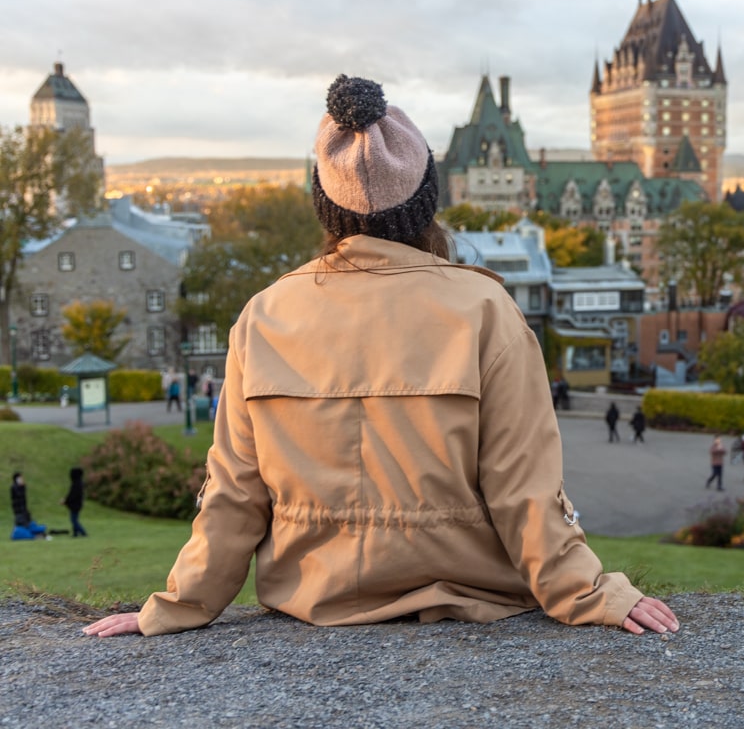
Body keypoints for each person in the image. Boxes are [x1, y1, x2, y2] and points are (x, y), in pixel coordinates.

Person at [85, 75, 676, 640]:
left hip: (313, 600)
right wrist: (589, 593)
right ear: (426, 203)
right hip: (467, 597)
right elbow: (523, 489)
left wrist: (180, 605)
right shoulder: (485, 309)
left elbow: (234, 494)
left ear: (324, 204)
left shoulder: (264, 315)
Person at [10, 473, 47, 540]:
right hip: (19, 512)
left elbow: (23, 497)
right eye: (20, 478)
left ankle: (38, 534)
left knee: (28, 524)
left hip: (23, 511)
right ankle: (34, 535)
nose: (22, 480)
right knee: (23, 525)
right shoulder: (14, 487)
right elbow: (19, 495)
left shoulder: (21, 487)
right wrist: (22, 486)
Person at [61, 467, 87, 538]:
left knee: (74, 520)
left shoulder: (76, 484)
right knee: (74, 519)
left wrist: (66, 501)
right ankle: (75, 533)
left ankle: (83, 532)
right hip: (77, 504)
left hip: (76, 505)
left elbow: (72, 495)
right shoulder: (79, 483)